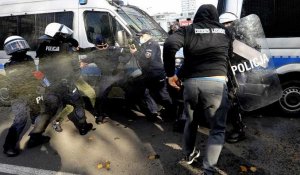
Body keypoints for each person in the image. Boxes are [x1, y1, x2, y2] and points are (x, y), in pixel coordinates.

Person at [163, 5, 232, 175]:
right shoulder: (226, 32)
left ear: (197, 16)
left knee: (191, 121)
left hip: (192, 85)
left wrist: (172, 74)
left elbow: (170, 44)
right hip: (216, 84)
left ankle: (188, 155)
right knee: (217, 129)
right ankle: (208, 171)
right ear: (215, 17)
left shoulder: (189, 30)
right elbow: (229, 57)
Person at [33, 22, 93, 136]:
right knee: (78, 104)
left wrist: (46, 83)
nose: (65, 36)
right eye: (63, 34)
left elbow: (40, 69)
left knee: (51, 109)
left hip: (50, 85)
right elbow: (76, 69)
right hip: (67, 84)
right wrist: (73, 79)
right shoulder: (68, 48)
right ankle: (83, 127)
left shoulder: (42, 47)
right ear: (58, 34)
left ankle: (36, 134)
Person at [2, 36, 44, 157]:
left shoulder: (29, 59)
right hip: (18, 96)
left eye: (20, 45)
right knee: (20, 120)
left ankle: (36, 138)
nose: (19, 48)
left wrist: (45, 82)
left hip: (33, 93)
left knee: (38, 116)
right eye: (15, 46)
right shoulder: (9, 65)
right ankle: (8, 146)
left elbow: (35, 73)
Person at [130, 29, 175, 122]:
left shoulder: (153, 44)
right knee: (146, 92)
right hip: (148, 74)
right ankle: (154, 112)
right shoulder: (144, 45)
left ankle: (173, 113)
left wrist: (135, 53)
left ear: (148, 35)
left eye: (141, 36)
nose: (140, 38)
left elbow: (147, 58)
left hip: (156, 74)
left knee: (163, 95)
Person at [219, 12, 247, 143]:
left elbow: (251, 54)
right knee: (232, 102)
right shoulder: (224, 37)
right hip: (229, 75)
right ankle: (237, 127)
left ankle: (239, 130)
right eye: (224, 24)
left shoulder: (241, 37)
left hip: (238, 74)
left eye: (229, 23)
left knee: (234, 102)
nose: (227, 26)